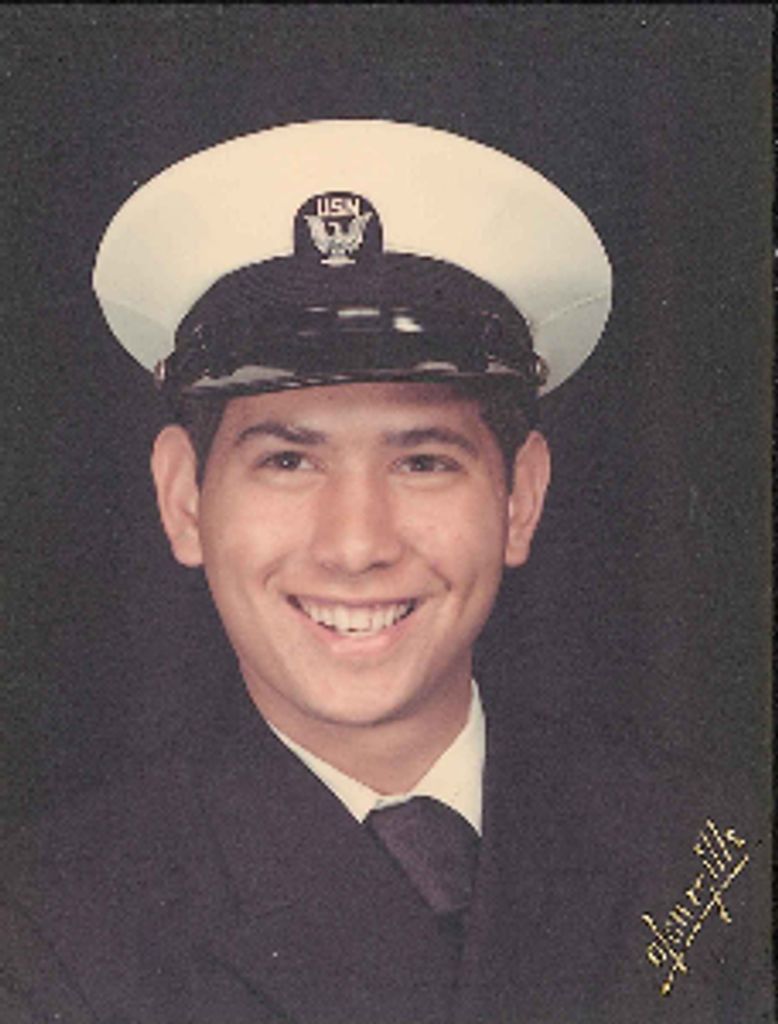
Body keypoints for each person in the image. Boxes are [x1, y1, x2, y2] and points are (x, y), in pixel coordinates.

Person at [0, 121, 766, 1023]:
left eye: (423, 461)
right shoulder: (50, 928)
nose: (356, 544)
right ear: (184, 499)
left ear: (520, 497)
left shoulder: (710, 853)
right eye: (288, 461)